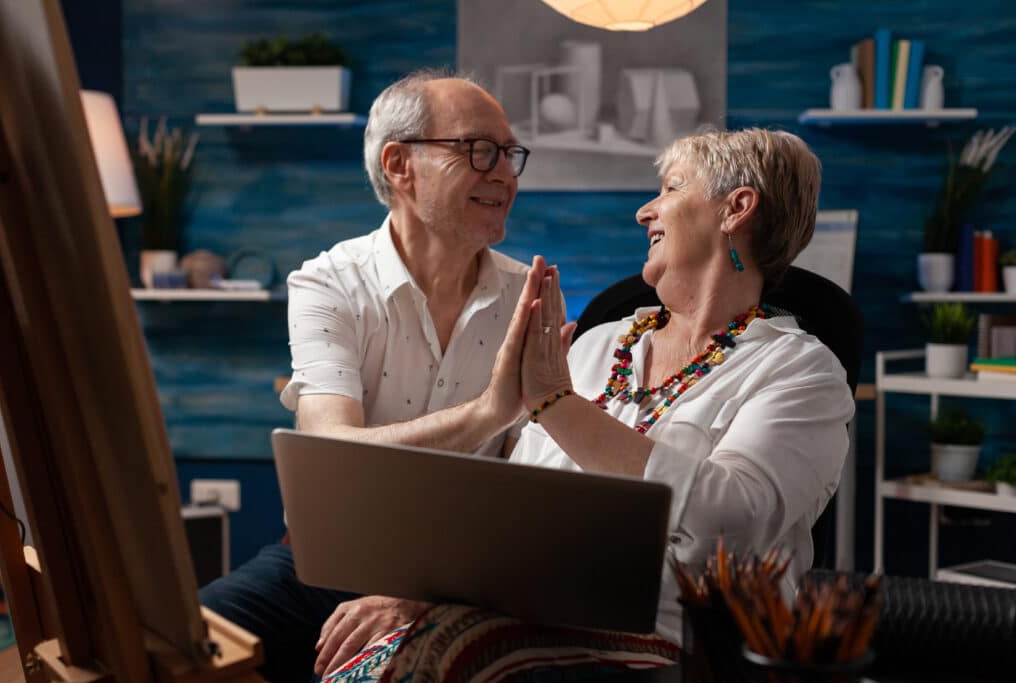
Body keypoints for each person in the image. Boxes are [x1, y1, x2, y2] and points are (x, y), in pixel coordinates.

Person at [319, 127, 855, 680]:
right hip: (528, 609)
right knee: (367, 660)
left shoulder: (801, 371)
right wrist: (420, 596)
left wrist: (557, 404)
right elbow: (512, 508)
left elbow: (734, 520)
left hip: (677, 642)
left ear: (736, 209)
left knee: (451, 657)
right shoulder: (597, 344)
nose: (645, 212)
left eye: (672, 188)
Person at [199, 69, 554, 683]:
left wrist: (422, 594)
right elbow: (330, 454)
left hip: (467, 578)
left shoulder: (529, 295)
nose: (504, 173)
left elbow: (534, 489)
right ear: (399, 164)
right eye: (480, 150)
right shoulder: (328, 283)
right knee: (185, 643)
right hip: (325, 566)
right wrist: (486, 414)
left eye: (510, 153)